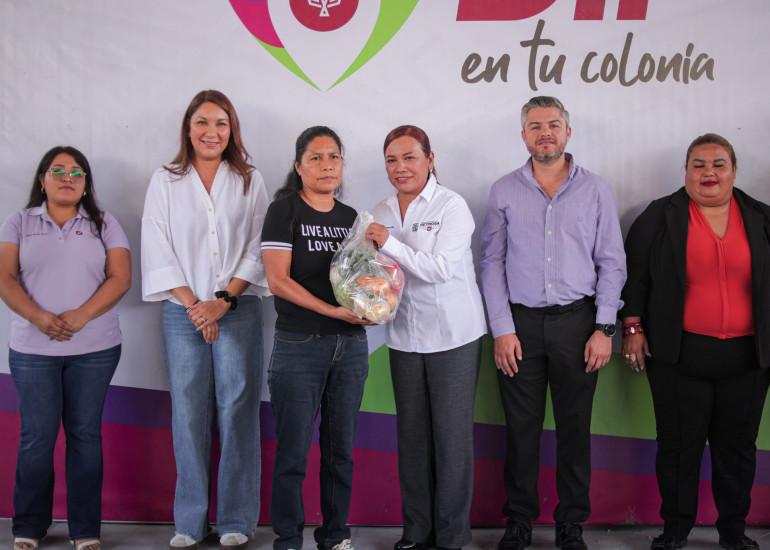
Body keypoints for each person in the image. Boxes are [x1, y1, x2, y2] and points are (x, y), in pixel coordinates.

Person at [479, 96, 626, 550]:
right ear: (523, 135)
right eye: (536, 126)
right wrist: (502, 329)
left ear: (568, 132)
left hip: (578, 325)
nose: (545, 132)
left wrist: (604, 329)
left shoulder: (596, 190)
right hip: (519, 328)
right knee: (520, 431)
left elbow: (612, 262)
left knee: (574, 430)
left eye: (554, 124)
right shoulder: (503, 191)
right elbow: (491, 262)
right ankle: (519, 522)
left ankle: (571, 525)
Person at [621, 133, 770, 550]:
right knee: (678, 448)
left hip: (747, 359)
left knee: (737, 450)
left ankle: (733, 533)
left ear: (734, 170)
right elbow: (634, 277)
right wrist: (632, 328)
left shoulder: (761, 217)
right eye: (698, 165)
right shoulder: (659, 216)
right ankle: (675, 531)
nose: (709, 173)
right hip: (679, 356)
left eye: (718, 164)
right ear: (685, 171)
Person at [140, 90, 269, 550]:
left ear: (232, 130)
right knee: (189, 413)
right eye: (202, 122)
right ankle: (190, 522)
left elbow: (259, 245)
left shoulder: (250, 179)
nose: (211, 132)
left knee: (238, 411)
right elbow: (156, 243)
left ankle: (236, 519)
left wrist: (223, 301)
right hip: (183, 313)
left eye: (221, 123)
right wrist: (197, 305)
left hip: (238, 308)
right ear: (188, 128)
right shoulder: (166, 180)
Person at [0, 146, 131, 550]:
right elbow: (4, 277)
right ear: (42, 180)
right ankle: (29, 526)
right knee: (36, 438)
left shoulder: (104, 223)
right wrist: (38, 316)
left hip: (95, 349)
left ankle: (85, 530)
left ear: (86, 184)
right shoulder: (20, 221)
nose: (67, 178)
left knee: (84, 435)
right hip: (32, 351)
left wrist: (81, 315)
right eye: (57, 171)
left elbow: (120, 277)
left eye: (76, 172)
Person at [365, 125, 486, 550]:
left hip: (454, 336)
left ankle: (451, 536)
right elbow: (376, 274)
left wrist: (389, 244)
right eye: (392, 160)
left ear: (430, 160)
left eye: (409, 157)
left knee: (451, 439)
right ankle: (417, 531)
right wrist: (364, 299)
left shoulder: (452, 206)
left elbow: (440, 270)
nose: (400, 167)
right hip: (403, 337)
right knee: (412, 439)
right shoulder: (378, 211)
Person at [261, 126, 369, 550]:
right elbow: (277, 281)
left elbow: (362, 279)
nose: (326, 166)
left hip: (351, 346)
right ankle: (288, 539)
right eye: (316, 158)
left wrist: (372, 306)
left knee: (341, 452)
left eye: (334, 157)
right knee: (293, 452)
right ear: (298, 166)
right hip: (299, 345)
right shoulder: (284, 211)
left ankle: (335, 535)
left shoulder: (353, 218)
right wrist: (330, 311)